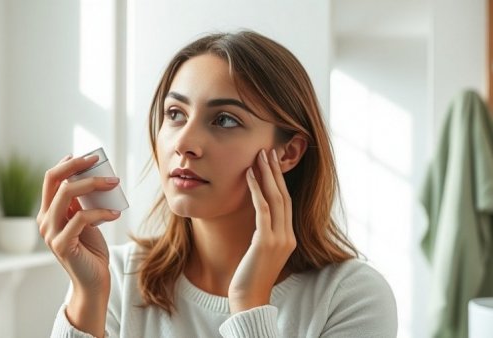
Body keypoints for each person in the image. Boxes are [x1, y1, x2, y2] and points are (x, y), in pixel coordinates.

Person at [39, 30, 398, 338]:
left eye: (224, 120)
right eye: (175, 114)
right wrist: (88, 295)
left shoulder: (351, 298)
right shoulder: (116, 278)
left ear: (288, 152)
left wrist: (249, 306)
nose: (183, 143)